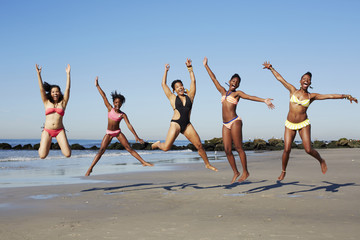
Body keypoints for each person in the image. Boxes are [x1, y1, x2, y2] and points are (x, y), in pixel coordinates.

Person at [262, 61, 358, 181]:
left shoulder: (311, 96)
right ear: (300, 81)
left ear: (310, 83)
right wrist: (271, 68)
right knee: (286, 149)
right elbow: (280, 79)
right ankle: (283, 171)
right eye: (304, 78)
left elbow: (330, 96)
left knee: (308, 149)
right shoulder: (292, 90)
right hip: (290, 124)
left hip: (303, 124)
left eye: (308, 79)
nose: (306, 80)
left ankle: (321, 160)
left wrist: (347, 96)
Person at [203, 57, 275, 183]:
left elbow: (249, 97)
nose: (234, 83)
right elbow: (213, 78)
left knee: (239, 148)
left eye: (237, 82)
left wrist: (264, 100)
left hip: (235, 121)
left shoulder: (237, 94)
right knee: (227, 150)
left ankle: (246, 171)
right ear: (230, 81)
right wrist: (206, 66)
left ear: (238, 85)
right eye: (233, 81)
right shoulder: (222, 92)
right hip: (225, 124)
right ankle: (236, 172)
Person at [151, 59, 218, 172]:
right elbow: (163, 84)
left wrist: (190, 68)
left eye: (181, 85)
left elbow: (193, 81)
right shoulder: (172, 98)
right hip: (176, 124)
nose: (180, 88)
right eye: (177, 87)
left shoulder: (190, 96)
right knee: (166, 148)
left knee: (199, 145)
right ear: (174, 90)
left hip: (187, 125)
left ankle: (207, 164)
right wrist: (166, 71)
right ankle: (158, 144)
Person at [85, 77, 153, 176]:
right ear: (113, 103)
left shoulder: (123, 114)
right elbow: (103, 96)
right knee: (101, 151)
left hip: (118, 132)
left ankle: (143, 162)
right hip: (109, 133)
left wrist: (136, 136)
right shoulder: (109, 108)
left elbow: (129, 125)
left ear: (121, 104)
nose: (117, 104)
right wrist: (97, 85)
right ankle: (90, 168)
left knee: (129, 148)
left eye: (119, 103)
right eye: (116, 102)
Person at [36, 64, 71, 159]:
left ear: (59, 93)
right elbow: (41, 89)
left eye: (57, 91)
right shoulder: (46, 102)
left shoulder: (63, 103)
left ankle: (49, 144)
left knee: (68, 154)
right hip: (47, 130)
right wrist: (39, 75)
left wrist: (68, 74)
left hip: (59, 131)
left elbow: (68, 89)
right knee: (42, 156)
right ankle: (42, 146)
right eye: (53, 92)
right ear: (50, 94)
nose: (55, 93)